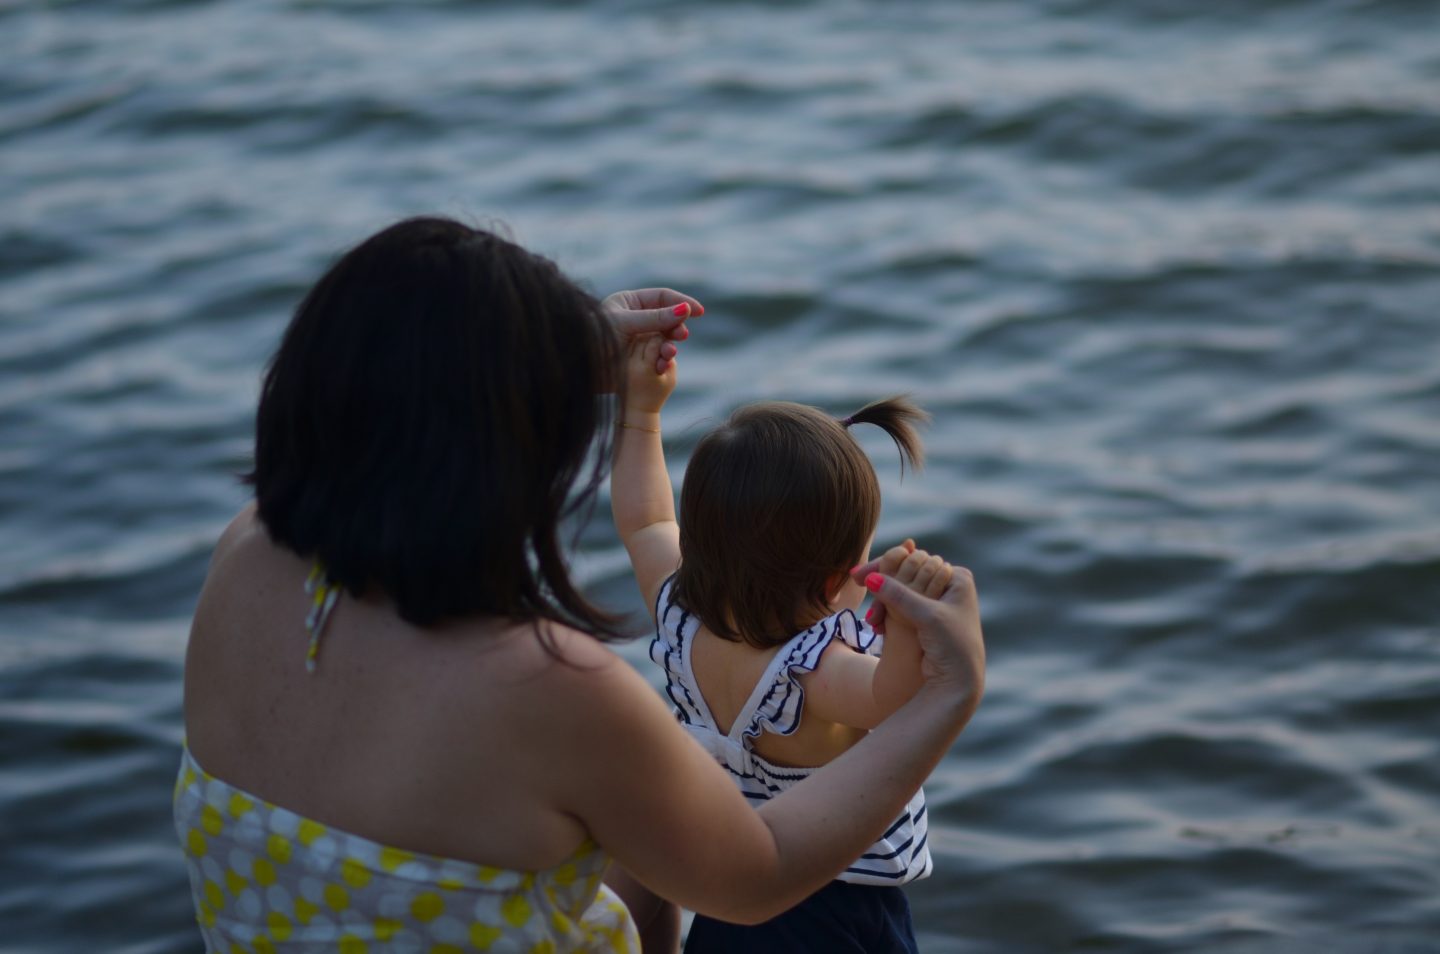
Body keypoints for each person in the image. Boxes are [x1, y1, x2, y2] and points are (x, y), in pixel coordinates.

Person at [175, 216, 986, 953]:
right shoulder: (550, 691)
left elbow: (640, 520)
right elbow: (760, 875)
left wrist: (548, 356)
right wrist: (949, 694)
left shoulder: (247, 558)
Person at [610, 332, 952, 952]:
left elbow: (646, 519)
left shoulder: (679, 615)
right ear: (833, 576)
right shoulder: (816, 674)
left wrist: (640, 413)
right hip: (835, 908)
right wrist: (906, 616)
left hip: (732, 893)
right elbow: (899, 700)